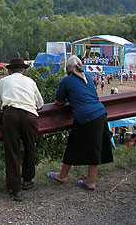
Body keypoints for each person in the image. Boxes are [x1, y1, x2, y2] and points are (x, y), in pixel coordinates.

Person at [47, 56, 113, 192]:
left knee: (73, 145)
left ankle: (62, 176)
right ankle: (90, 181)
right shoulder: (88, 77)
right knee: (96, 148)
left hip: (85, 117)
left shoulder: (67, 80)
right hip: (100, 113)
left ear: (68, 68)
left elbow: (58, 101)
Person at [0, 57, 44, 201]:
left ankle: (15, 188)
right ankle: (27, 179)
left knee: (12, 151)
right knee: (29, 147)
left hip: (11, 115)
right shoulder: (30, 81)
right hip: (30, 116)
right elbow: (40, 103)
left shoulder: (4, 82)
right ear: (24, 71)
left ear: (9, 71)